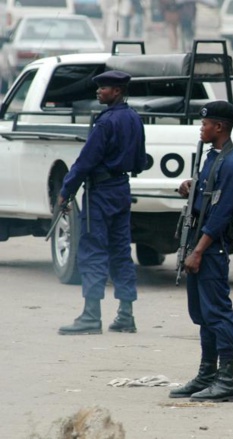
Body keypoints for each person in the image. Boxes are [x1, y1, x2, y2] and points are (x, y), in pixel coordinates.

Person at [57, 71, 146, 336]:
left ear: (116, 91)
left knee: (93, 250)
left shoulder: (106, 123)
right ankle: (125, 315)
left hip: (101, 191)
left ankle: (91, 316)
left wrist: (66, 190)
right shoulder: (134, 118)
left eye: (103, 87)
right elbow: (140, 160)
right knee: (120, 251)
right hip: (121, 189)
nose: (98, 91)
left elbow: (86, 161)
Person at [170, 101, 233, 403]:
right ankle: (207, 374)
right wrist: (192, 185)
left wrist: (199, 251)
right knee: (202, 314)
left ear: (219, 127)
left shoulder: (231, 163)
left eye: (205, 124)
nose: (201, 128)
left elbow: (222, 214)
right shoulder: (213, 157)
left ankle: (227, 380)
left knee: (218, 314)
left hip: (211, 249)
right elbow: (209, 195)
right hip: (199, 244)